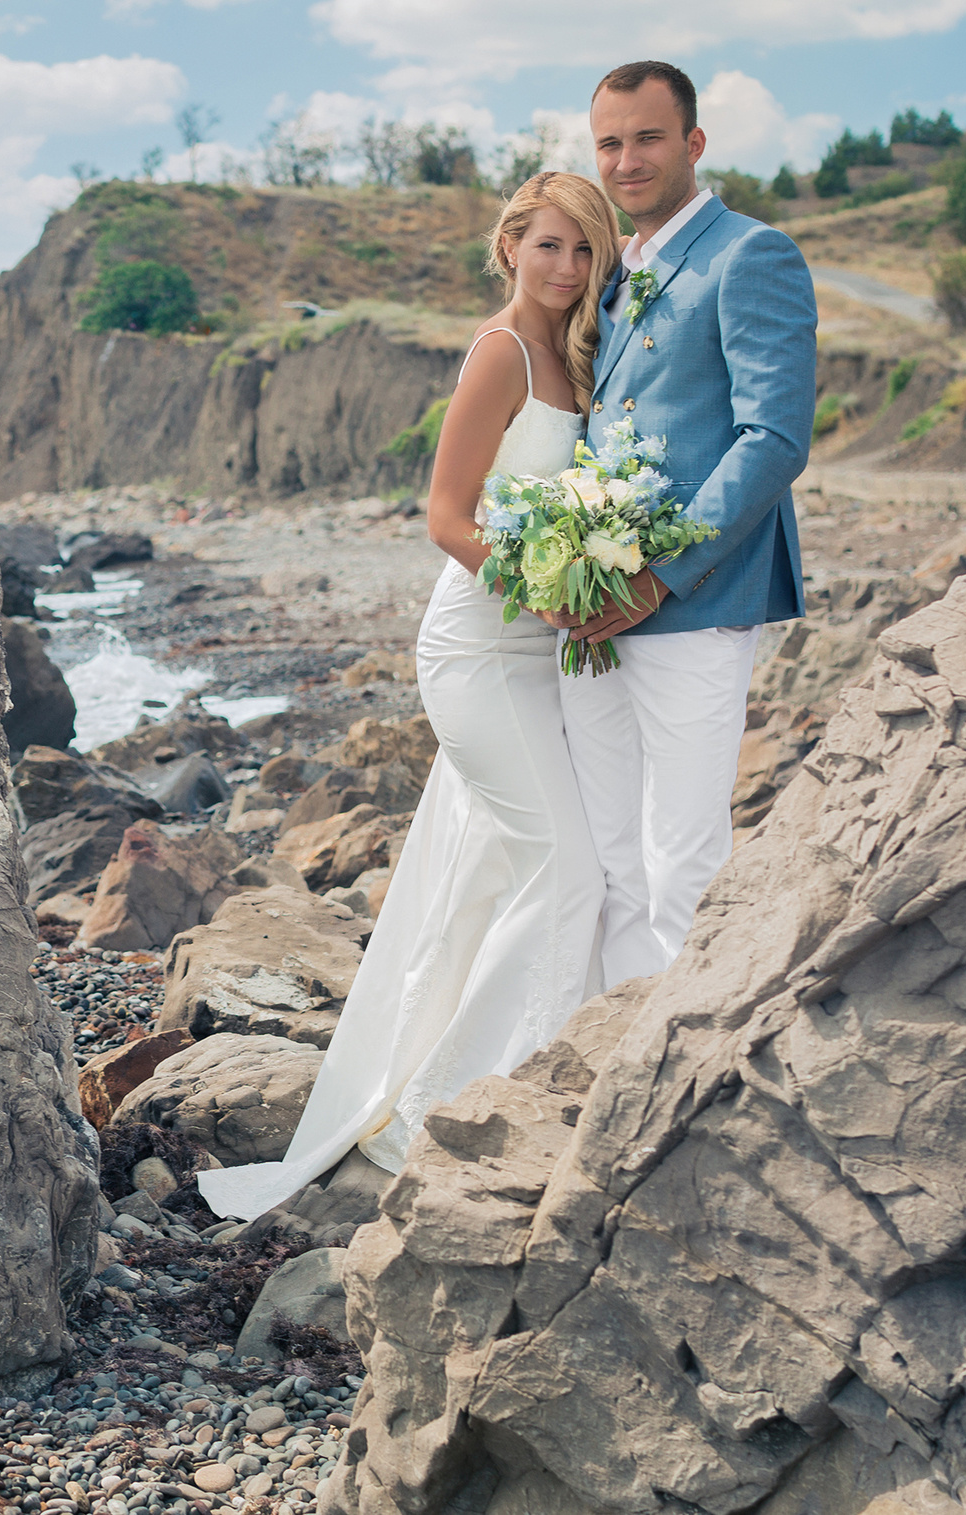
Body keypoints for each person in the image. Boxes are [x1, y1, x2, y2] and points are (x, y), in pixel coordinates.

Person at [200, 171, 620, 1222]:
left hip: (542, 654)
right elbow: (444, 515)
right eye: (550, 248)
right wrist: (549, 592)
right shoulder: (499, 352)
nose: (566, 270)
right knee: (565, 868)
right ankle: (471, 1105)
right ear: (510, 247)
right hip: (480, 648)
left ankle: (424, 1101)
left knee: (481, 880)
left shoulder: (581, 357)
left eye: (584, 252)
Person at [553, 62, 815, 985]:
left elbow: (774, 438)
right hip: (592, 605)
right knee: (611, 853)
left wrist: (658, 574)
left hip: (693, 599)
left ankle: (687, 1065)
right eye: (610, 143)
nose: (627, 161)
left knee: (684, 853)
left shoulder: (752, 255)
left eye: (648, 138)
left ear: (694, 143)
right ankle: (620, 1035)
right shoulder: (608, 273)